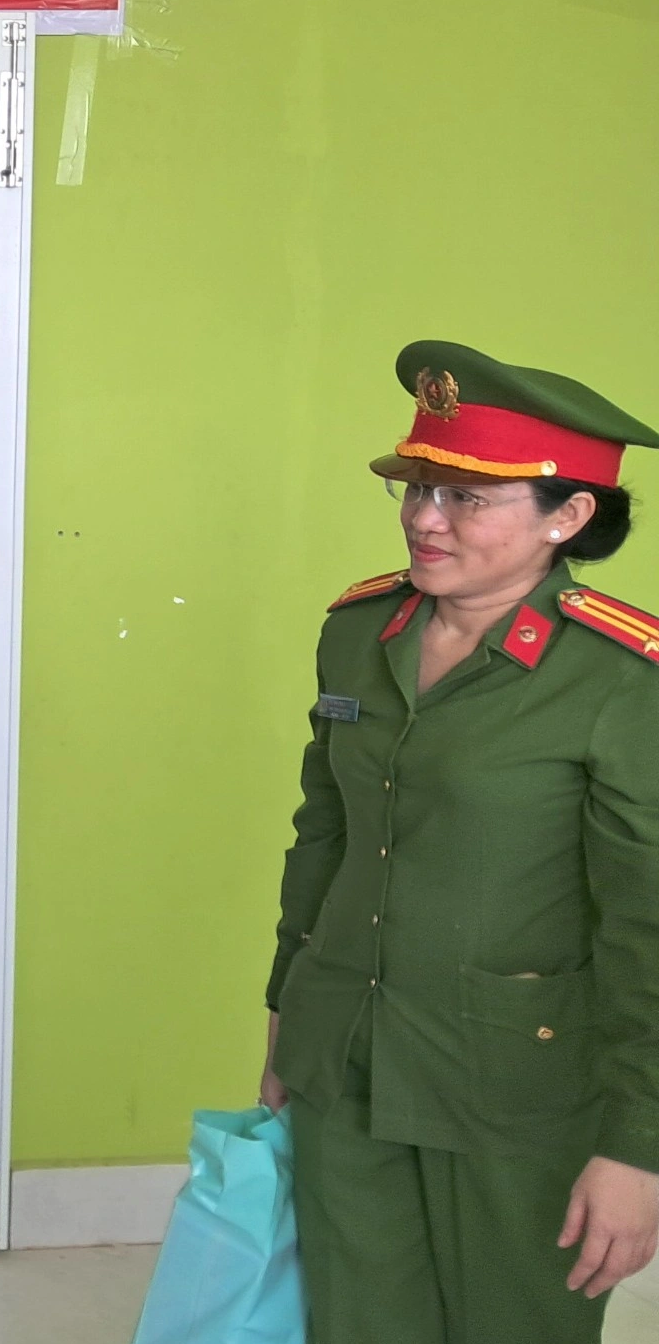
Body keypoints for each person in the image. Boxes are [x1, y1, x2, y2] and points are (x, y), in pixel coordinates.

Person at [260, 341, 659, 1342]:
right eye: (418, 486)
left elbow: (647, 924)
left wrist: (640, 1145)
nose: (423, 518)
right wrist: (283, 1021)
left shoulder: (619, 676)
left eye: (468, 497)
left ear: (566, 516)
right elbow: (323, 836)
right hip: (344, 1060)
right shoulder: (360, 630)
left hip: (520, 1091)